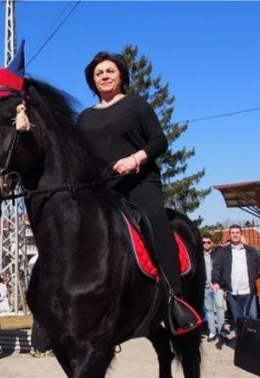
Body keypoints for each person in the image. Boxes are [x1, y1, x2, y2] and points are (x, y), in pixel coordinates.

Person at [77, 51, 200, 334]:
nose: (105, 76)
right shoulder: (84, 118)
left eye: (110, 71)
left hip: (139, 182)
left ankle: (175, 300)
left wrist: (135, 159)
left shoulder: (136, 105)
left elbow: (160, 140)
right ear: (92, 82)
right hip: (102, 189)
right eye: (99, 73)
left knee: (156, 220)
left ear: (121, 76)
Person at [212, 225, 259, 327]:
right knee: (238, 321)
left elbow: (258, 267)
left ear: (240, 234)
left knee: (253, 318)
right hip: (233, 293)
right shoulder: (222, 252)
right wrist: (215, 282)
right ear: (230, 235)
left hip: (249, 291)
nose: (235, 235)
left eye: (237, 232)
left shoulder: (251, 251)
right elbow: (217, 268)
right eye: (233, 233)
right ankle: (242, 342)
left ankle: (254, 342)